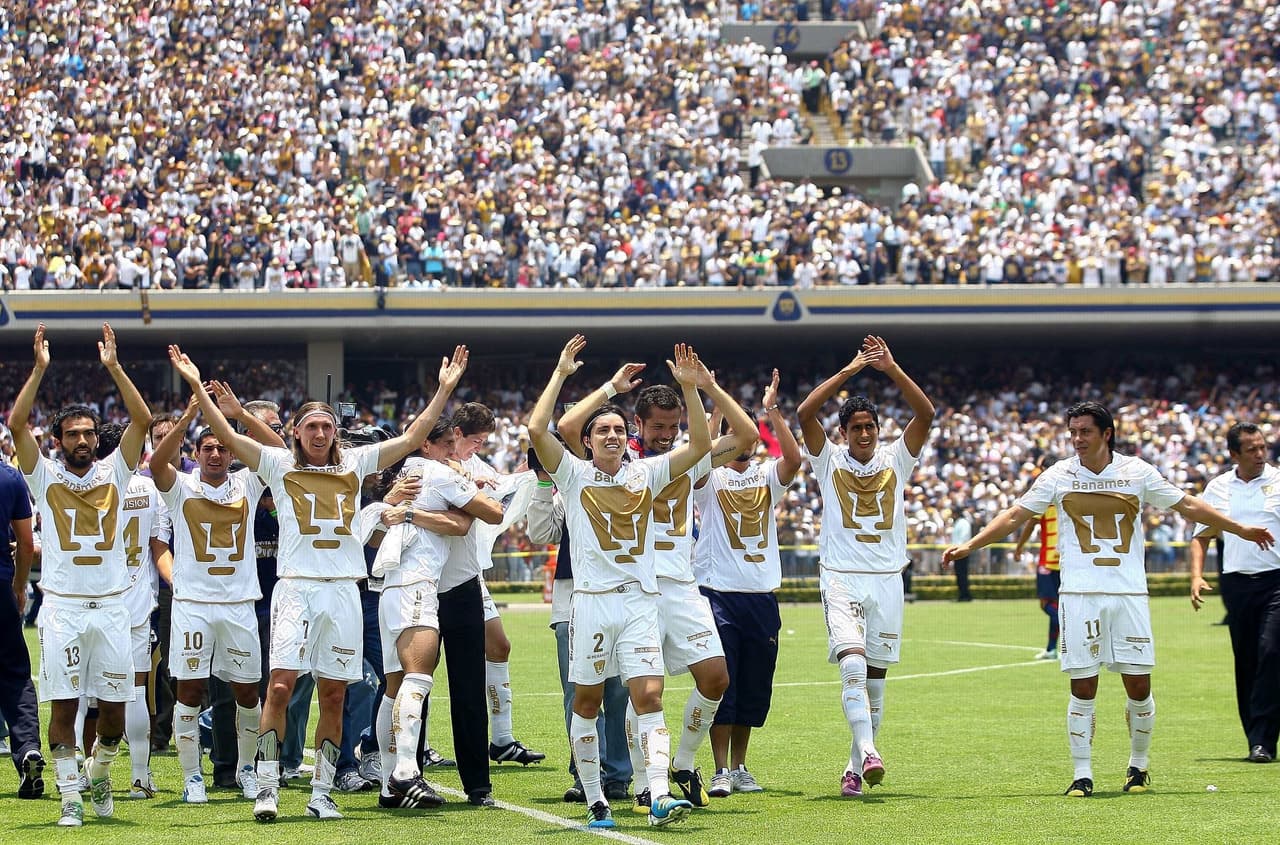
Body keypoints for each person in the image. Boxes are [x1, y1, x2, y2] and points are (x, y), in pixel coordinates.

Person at [168, 342, 469, 822]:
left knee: (334, 693)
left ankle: (322, 791)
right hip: (295, 587)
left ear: (334, 433)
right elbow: (225, 433)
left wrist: (444, 389)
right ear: (295, 431)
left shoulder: (354, 463)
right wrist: (196, 387)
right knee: (280, 687)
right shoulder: (277, 464)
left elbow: (413, 437)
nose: (320, 433)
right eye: (311, 426)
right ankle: (267, 786)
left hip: (343, 589)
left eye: (327, 426)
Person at [943, 401, 1275, 798]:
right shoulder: (1059, 474)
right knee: (1082, 686)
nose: (1077, 439)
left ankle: (1138, 766)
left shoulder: (1137, 472)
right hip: (1079, 594)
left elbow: (1187, 504)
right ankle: (1082, 774)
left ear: (1106, 433)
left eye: (1085, 431)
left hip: (1128, 592)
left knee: (1138, 685)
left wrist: (1238, 528)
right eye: (1073, 432)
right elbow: (1016, 514)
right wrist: (971, 545)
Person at [556, 356, 757, 813]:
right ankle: (648, 785)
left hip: (680, 584)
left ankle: (682, 763)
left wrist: (705, 386)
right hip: (635, 586)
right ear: (638, 425)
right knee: (642, 691)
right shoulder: (619, 461)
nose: (667, 434)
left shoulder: (683, 460)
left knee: (716, 677)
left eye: (674, 426)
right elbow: (568, 430)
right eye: (659, 426)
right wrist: (609, 388)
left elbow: (746, 437)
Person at [527, 336, 712, 829]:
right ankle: (596, 799)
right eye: (601, 430)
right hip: (590, 604)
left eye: (618, 429)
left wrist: (690, 389)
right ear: (587, 441)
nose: (611, 435)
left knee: (649, 697)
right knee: (586, 703)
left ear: (627, 437)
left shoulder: (647, 472)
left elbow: (699, 446)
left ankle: (658, 793)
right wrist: (563, 374)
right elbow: (537, 428)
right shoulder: (572, 475)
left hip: (638, 604)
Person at [8, 323, 152, 827]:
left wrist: (114, 367)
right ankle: (71, 797)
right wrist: (39, 369)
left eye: (89, 433)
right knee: (64, 707)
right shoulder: (43, 474)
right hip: (63, 608)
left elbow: (143, 419)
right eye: (73, 434)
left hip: (112, 606)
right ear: (58, 441)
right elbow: (17, 423)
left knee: (112, 714)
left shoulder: (116, 471)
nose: (84, 440)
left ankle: (100, 771)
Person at [797, 336, 934, 798]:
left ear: (878, 429)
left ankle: (854, 767)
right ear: (843, 433)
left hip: (888, 580)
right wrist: (851, 370)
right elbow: (804, 414)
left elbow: (926, 414)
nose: (863, 434)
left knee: (876, 679)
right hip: (841, 577)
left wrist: (891, 369)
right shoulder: (828, 460)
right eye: (855, 427)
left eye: (869, 426)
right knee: (852, 664)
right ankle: (871, 750)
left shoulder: (897, 459)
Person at [149, 390, 281, 805]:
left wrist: (240, 415)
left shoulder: (247, 482)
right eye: (208, 448)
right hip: (193, 606)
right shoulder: (181, 487)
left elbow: (279, 450)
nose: (216, 455)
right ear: (196, 453)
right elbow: (156, 464)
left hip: (240, 604)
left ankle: (246, 770)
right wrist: (188, 415)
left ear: (232, 452)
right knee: (189, 693)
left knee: (248, 694)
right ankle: (192, 777)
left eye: (223, 448)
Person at [371, 420, 501, 809]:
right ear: (427, 444)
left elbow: (378, 530)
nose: (455, 449)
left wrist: (405, 510)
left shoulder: (413, 475)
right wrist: (414, 509)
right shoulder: (437, 472)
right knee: (419, 680)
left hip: (445, 585)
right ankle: (407, 773)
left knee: (413, 684)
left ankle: (408, 782)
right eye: (449, 442)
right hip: (425, 585)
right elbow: (485, 515)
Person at [694, 370, 802, 797]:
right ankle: (720, 768)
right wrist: (714, 406)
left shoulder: (766, 476)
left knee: (754, 686)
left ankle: (740, 766)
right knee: (724, 683)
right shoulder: (710, 477)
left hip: (761, 596)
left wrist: (772, 411)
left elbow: (793, 460)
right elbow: (700, 451)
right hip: (718, 594)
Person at [526, 442, 633, 804]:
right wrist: (543, 481)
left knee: (620, 691)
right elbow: (540, 533)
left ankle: (619, 774)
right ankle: (588, 771)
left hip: (621, 598)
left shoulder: (632, 485)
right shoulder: (570, 491)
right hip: (571, 603)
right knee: (578, 692)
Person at [450, 403, 545, 766]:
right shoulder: (435, 459)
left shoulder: (478, 465)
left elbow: (503, 488)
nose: (479, 447)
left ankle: (502, 739)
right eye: (476, 440)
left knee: (499, 645)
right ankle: (413, 746)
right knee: (425, 662)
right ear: (456, 434)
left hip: (470, 571)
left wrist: (525, 475)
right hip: (433, 575)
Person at [84, 423, 172, 801]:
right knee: (136, 690)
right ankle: (139, 777)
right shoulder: (149, 489)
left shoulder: (88, 487)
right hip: (136, 600)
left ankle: (79, 773)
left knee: (84, 693)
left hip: (94, 597)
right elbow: (157, 545)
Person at [1189, 422, 1280, 763]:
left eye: (1262, 447)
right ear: (1234, 454)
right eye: (1252, 449)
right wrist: (1196, 576)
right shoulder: (1218, 488)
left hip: (1277, 582)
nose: (1260, 454)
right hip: (1237, 584)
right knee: (1246, 660)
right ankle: (1256, 740)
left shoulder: (1278, 481)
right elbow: (1201, 535)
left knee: (1271, 651)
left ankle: (1264, 737)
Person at [0, 432, 41, 800]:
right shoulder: (10, 478)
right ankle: (28, 747)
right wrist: (18, 585)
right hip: (0, 585)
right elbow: (26, 543)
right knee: (14, 675)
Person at [1016, 497, 1061, 659]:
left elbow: (1030, 524)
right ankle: (1051, 649)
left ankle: (1063, 628)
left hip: (1049, 561)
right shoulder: (1070, 498)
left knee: (1048, 604)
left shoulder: (1045, 500)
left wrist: (1019, 548)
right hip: (1068, 561)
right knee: (1059, 605)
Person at [950, 509, 974, 601]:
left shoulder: (963, 523)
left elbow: (963, 538)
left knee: (962, 574)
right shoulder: (958, 523)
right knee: (960, 574)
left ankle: (965, 595)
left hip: (961, 551)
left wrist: (957, 549)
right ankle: (962, 594)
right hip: (957, 551)